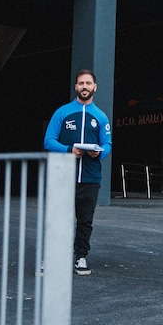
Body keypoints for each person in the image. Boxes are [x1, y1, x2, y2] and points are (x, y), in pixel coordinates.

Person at [43, 69, 113, 275]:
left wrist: (98, 154)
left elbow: (107, 144)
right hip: (63, 176)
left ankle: (81, 257)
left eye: (88, 83)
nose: (84, 87)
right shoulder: (62, 112)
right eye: (81, 83)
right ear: (75, 87)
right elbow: (48, 141)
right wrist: (68, 150)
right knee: (57, 220)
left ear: (95, 87)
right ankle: (51, 258)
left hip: (90, 178)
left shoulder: (100, 116)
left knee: (85, 221)